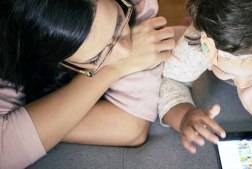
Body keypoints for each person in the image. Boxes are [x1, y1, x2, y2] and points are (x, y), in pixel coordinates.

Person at [0, 0, 175, 168]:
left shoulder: (133, 4)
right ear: (58, 62)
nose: (127, 51)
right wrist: (115, 70)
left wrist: (30, 123)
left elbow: (131, 126)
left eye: (118, 22)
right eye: (97, 57)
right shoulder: (12, 56)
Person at [158, 0, 252, 154]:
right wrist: (184, 115)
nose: (241, 83)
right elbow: (172, 78)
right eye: (224, 71)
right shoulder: (197, 39)